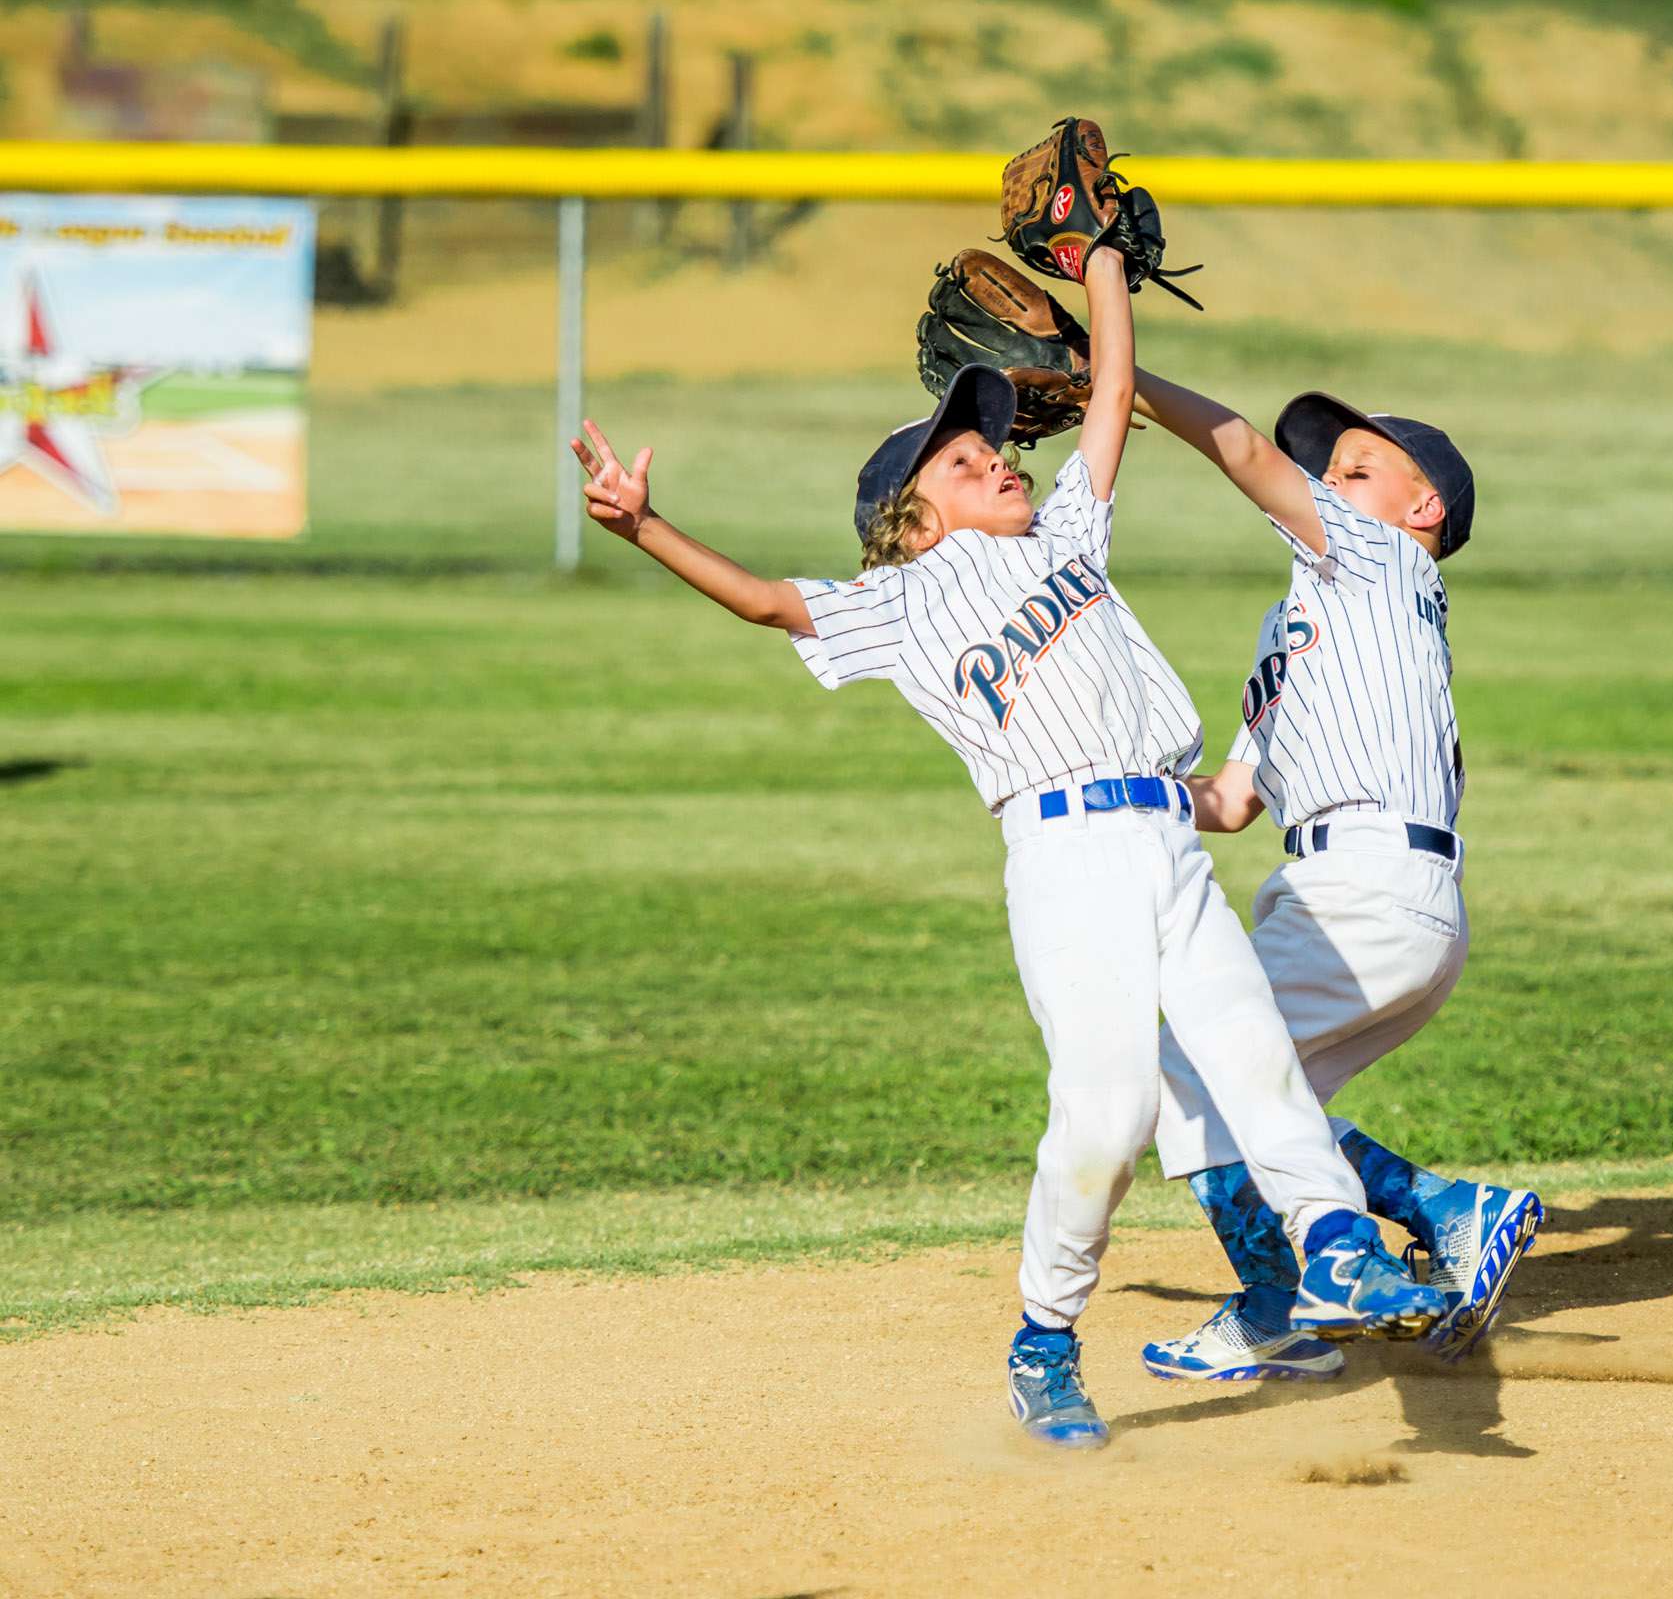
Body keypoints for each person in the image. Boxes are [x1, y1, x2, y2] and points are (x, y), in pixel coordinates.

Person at [567, 243, 1441, 1451]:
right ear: (910, 520)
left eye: (996, 450)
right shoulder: (902, 600)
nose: (998, 459)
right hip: (1064, 865)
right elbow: (769, 600)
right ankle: (1044, 1337)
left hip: (1163, 841)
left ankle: (1337, 1248)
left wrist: (1102, 269)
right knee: (1110, 1113)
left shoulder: (1065, 537)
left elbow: (1115, 396)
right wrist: (644, 525)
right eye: (967, 463)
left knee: (1249, 1049)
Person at [1128, 370, 1544, 1381]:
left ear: (1422, 509)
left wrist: (1124, 379)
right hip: (1371, 897)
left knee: (1187, 1068)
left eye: (1359, 469)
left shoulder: (1382, 561)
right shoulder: (1303, 626)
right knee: (1261, 1111)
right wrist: (1106, 789)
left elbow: (1242, 451)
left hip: (1364, 886)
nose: (1330, 479)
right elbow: (1230, 800)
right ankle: (1450, 1211)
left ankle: (1280, 1305)